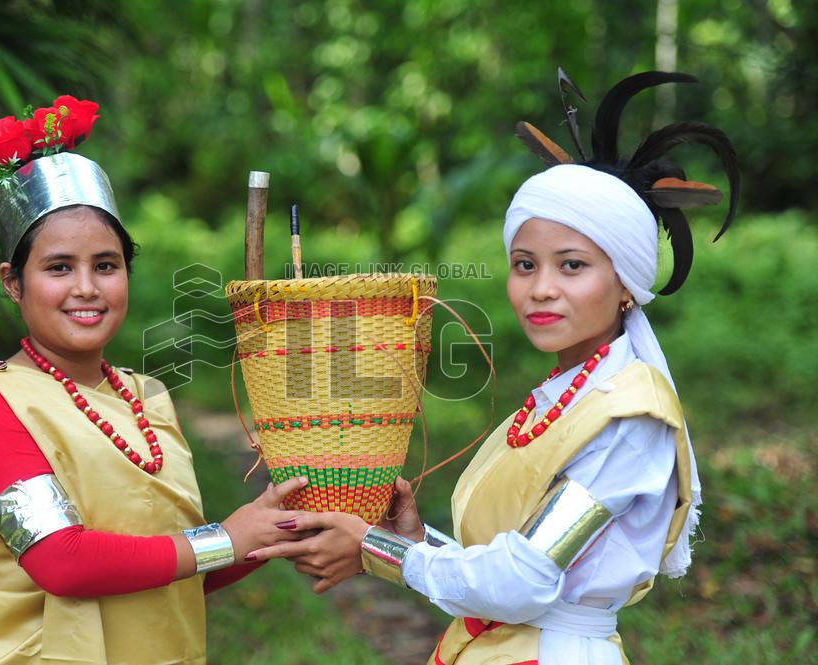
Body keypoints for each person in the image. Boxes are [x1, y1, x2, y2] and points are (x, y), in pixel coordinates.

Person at [248, 72, 739, 664]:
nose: (542, 289)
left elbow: (524, 583)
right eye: (525, 264)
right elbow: (510, 563)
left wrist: (377, 551)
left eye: (573, 265)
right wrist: (411, 539)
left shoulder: (629, 414)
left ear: (626, 285)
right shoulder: (566, 393)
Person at [0, 97, 305, 665]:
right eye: (59, 267)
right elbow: (63, 562)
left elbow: (176, 568)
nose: (87, 287)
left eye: (106, 265)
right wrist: (227, 538)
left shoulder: (147, 396)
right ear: (13, 282)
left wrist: (268, 533)